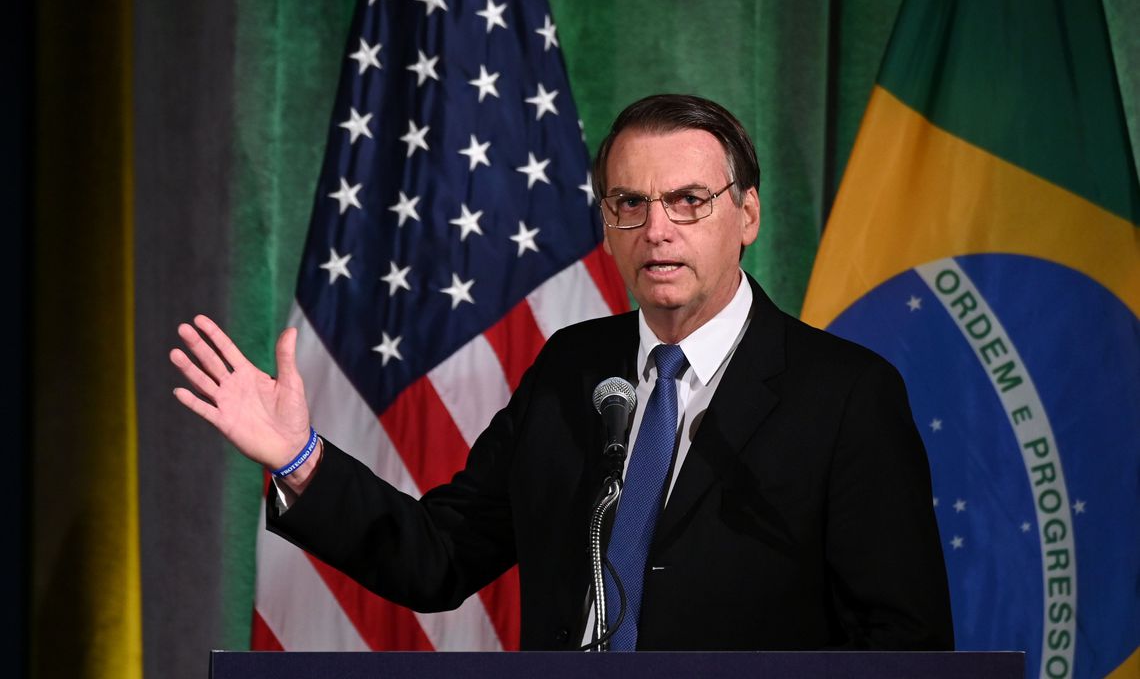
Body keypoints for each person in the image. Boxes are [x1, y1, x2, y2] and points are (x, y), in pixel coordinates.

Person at [171, 94, 954, 651]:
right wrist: (301, 459)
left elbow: (903, 641)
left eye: (688, 201)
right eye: (629, 204)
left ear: (746, 214)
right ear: (606, 225)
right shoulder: (571, 370)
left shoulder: (846, 395)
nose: (657, 230)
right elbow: (441, 555)